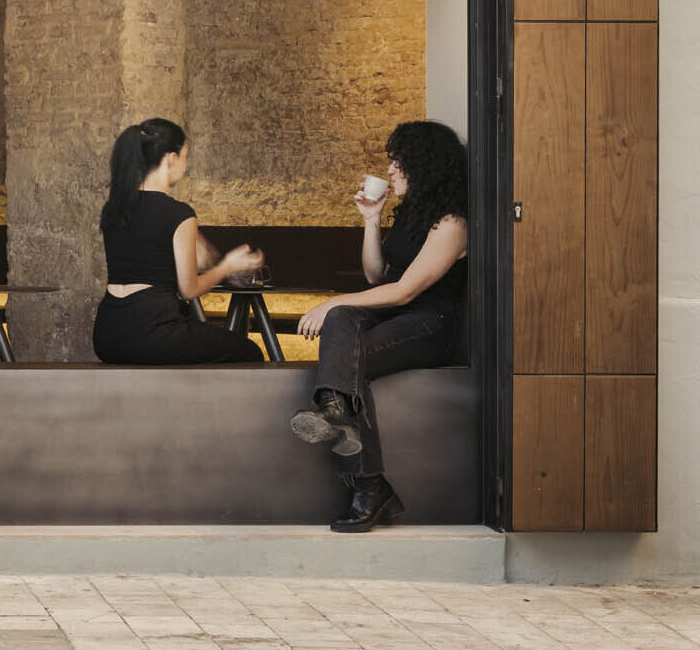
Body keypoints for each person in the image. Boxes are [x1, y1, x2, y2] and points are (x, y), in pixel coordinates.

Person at [288, 120, 468, 532]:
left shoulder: (452, 223)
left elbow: (403, 291)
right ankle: (347, 437)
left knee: (342, 342)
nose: (390, 171)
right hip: (393, 314)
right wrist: (372, 219)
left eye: (398, 162)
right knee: (342, 323)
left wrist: (333, 299)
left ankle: (364, 478)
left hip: (429, 324)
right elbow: (376, 276)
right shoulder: (412, 214)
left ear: (424, 165)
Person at [92, 118, 266, 365]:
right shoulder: (178, 213)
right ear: (171, 159)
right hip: (153, 332)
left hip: (108, 334)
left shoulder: (114, 208)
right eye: (185, 156)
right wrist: (227, 266)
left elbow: (144, 261)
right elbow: (189, 290)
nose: (185, 164)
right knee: (249, 352)